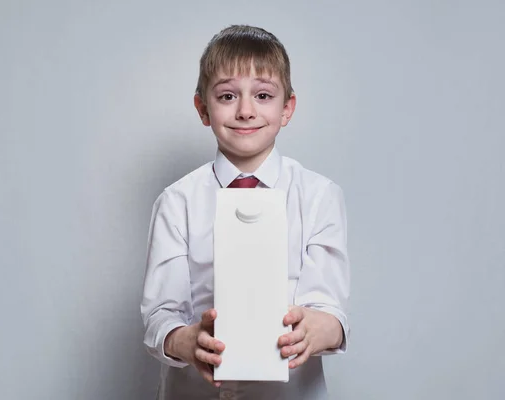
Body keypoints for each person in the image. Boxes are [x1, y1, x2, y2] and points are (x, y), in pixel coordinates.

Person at [140, 24, 350, 400]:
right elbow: (160, 315)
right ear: (203, 109)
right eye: (227, 96)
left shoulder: (319, 197)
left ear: (287, 108)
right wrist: (186, 340)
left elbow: (331, 314)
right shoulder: (176, 202)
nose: (246, 111)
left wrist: (316, 329)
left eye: (264, 95)